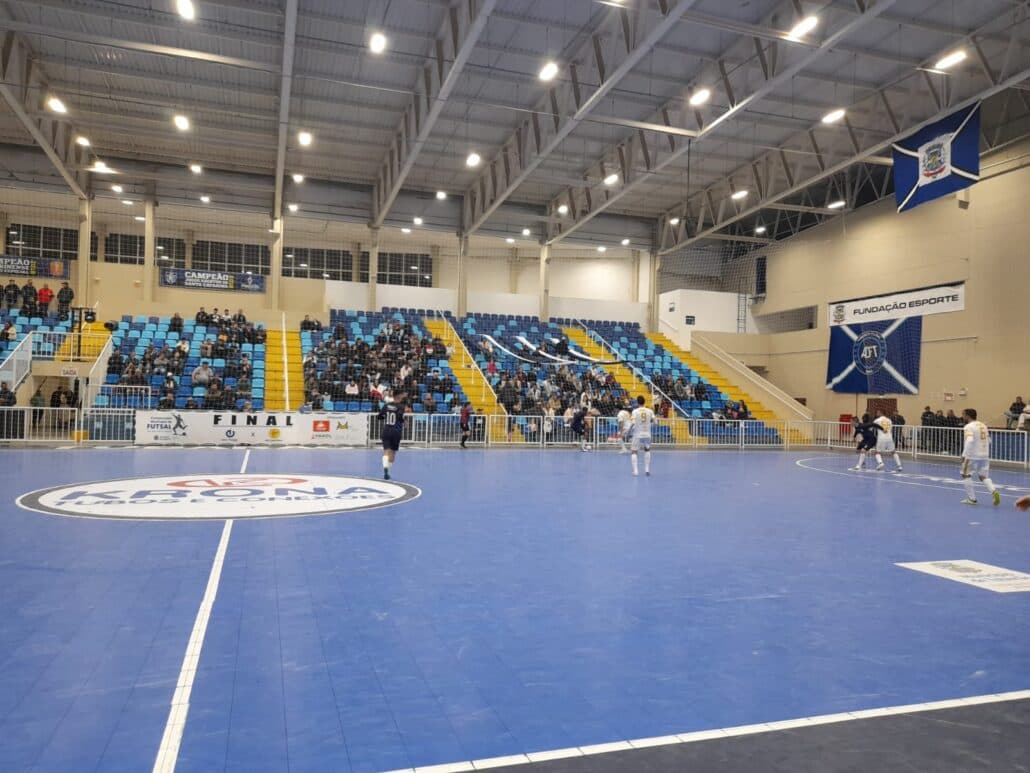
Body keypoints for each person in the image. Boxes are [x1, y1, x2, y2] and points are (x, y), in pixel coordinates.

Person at [960, 408, 1000, 506]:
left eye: (963, 414)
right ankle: (993, 491)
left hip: (972, 455)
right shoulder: (983, 425)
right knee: (983, 476)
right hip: (985, 455)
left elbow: (969, 440)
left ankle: (972, 499)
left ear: (967, 415)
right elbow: (989, 440)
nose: (962, 416)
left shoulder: (968, 427)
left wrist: (964, 455)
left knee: (965, 474)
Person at [379, 390, 407, 480]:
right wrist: (404, 421)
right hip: (396, 431)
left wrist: (386, 416)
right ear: (399, 396)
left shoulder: (386, 405)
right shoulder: (401, 406)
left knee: (386, 451)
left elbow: (379, 417)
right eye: (402, 395)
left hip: (386, 430)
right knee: (393, 452)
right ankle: (387, 471)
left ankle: (385, 467)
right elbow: (399, 417)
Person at [630, 394, 655, 477]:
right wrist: (649, 424)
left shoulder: (635, 411)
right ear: (644, 402)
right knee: (647, 450)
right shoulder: (650, 411)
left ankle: (636, 471)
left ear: (637, 402)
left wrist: (629, 430)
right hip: (647, 433)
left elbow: (633, 423)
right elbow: (655, 422)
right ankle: (647, 470)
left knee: (634, 451)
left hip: (637, 434)